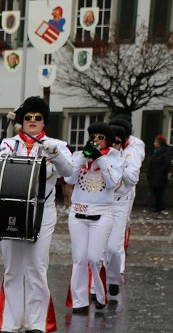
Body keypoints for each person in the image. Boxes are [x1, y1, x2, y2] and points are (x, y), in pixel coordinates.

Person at [0, 97, 74, 333]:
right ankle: (11, 324)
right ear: (21, 121)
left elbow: (70, 175)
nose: (32, 121)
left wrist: (57, 156)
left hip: (41, 213)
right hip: (10, 209)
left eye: (38, 118)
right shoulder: (7, 144)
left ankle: (36, 323)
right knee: (13, 268)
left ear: (44, 121)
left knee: (36, 266)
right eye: (28, 118)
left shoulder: (57, 145)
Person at [65, 121, 123, 314]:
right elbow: (68, 179)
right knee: (79, 258)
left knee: (94, 258)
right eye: (93, 137)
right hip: (78, 212)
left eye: (100, 138)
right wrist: (83, 158)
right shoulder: (78, 156)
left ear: (107, 140)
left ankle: (99, 294)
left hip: (102, 212)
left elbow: (112, 183)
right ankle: (79, 302)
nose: (96, 141)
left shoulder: (115, 158)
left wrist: (101, 160)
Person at [104, 122, 142, 297]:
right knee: (98, 248)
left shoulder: (130, 155)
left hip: (120, 202)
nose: (113, 146)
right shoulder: (102, 155)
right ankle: (96, 285)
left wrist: (118, 164)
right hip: (102, 203)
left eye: (117, 142)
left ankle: (114, 277)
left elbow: (132, 179)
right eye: (111, 141)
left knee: (114, 247)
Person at [147, 136, 173, 213]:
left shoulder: (165, 152)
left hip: (160, 176)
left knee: (159, 193)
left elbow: (166, 164)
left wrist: (160, 172)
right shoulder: (156, 152)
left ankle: (160, 207)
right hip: (154, 175)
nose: (154, 144)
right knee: (156, 192)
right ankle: (158, 207)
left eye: (156, 142)